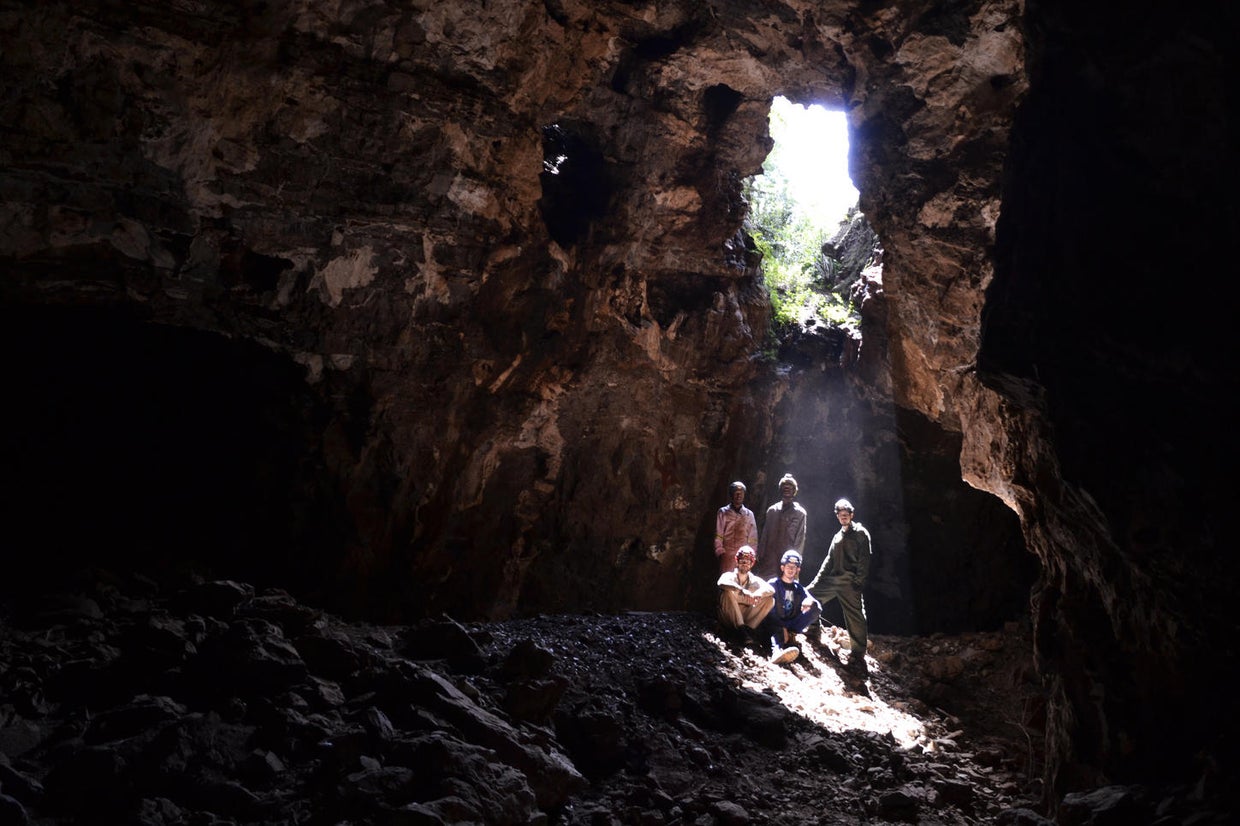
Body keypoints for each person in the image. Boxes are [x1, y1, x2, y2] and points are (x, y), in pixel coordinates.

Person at [807, 498, 872, 672]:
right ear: (837, 516)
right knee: (809, 595)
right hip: (833, 580)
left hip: (849, 582)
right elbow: (828, 561)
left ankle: (858, 655)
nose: (843, 517)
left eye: (846, 514)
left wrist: (859, 581)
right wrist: (817, 582)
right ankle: (813, 628)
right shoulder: (837, 536)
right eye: (840, 514)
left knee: (856, 617)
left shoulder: (861, 533)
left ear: (852, 514)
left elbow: (865, 559)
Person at [764, 550, 822, 664]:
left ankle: (790, 635)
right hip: (775, 623)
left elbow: (817, 607)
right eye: (788, 566)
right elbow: (768, 609)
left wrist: (809, 601)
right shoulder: (773, 584)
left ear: (798, 570)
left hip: (791, 624)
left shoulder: (799, 588)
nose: (791, 570)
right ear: (782, 567)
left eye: (794, 567)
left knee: (815, 608)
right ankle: (777, 653)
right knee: (776, 630)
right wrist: (781, 625)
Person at [716, 546, 774, 645]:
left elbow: (771, 589)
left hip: (745, 616)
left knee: (770, 600)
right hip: (728, 616)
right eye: (742, 561)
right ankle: (741, 630)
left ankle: (748, 631)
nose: (744, 564)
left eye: (748, 562)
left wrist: (758, 593)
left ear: (752, 564)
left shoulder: (755, 580)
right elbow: (721, 582)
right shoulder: (729, 576)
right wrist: (741, 590)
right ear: (737, 561)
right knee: (727, 592)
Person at [757, 473, 807, 578]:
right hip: (769, 560)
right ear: (780, 489)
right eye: (784, 487)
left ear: (795, 491)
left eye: (790, 487)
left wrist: (796, 560)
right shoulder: (772, 511)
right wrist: (760, 555)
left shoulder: (800, 513)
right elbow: (765, 535)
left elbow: (800, 539)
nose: (787, 489)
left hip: (788, 560)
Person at [714, 481, 758, 574]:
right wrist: (720, 551)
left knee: (742, 580)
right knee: (726, 581)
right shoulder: (723, 512)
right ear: (731, 494)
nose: (739, 496)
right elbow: (719, 534)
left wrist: (752, 553)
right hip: (727, 555)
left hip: (744, 556)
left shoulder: (749, 514)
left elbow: (753, 537)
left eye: (741, 493)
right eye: (736, 493)